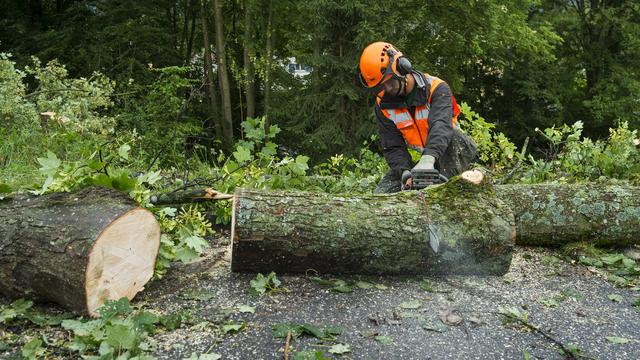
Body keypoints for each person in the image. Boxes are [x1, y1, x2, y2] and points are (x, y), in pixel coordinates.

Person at [359, 41, 479, 193]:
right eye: (382, 86)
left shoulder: (437, 88)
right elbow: (392, 146)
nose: (387, 89)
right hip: (427, 160)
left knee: (454, 137)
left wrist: (428, 159)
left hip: (454, 152)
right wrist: (405, 172)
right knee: (383, 192)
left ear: (402, 68)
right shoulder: (383, 104)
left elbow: (441, 126)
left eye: (390, 82)